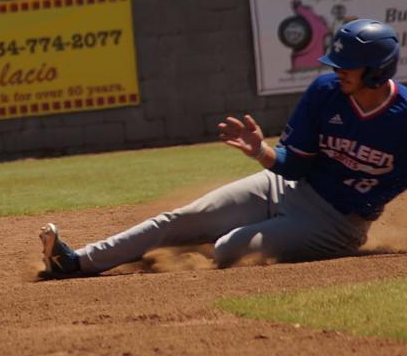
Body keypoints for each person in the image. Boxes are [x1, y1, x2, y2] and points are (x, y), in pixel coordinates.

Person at [40, 18, 407, 279]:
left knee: (230, 248)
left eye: (348, 66)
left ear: (375, 71)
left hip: (334, 223)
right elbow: (293, 166)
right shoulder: (325, 92)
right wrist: (261, 153)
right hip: (286, 187)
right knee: (179, 219)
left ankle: (226, 239)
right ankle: (76, 262)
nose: (338, 71)